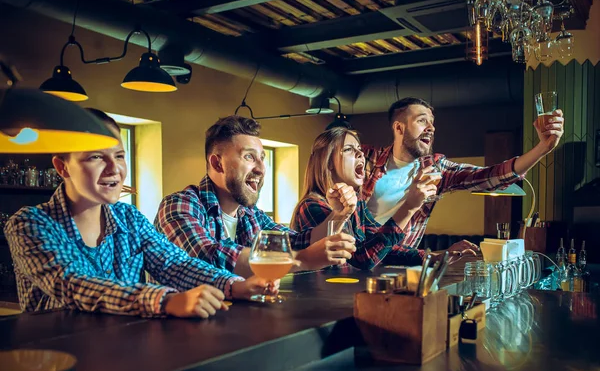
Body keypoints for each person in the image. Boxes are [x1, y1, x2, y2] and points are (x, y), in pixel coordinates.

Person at [4, 109, 273, 319]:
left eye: (119, 156)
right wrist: (165, 300)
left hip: (125, 355)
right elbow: (74, 284)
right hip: (59, 364)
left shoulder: (129, 218)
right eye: (96, 157)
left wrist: (234, 285)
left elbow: (174, 264)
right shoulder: (29, 224)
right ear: (62, 167)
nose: (114, 169)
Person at [155, 115, 357, 277]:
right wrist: (302, 260)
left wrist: (338, 214)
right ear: (218, 163)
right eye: (249, 157)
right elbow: (206, 257)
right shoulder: (179, 205)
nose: (261, 169)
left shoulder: (250, 214)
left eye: (262, 158)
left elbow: (299, 242)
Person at [362, 97, 565, 256]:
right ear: (399, 127)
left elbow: (488, 176)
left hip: (397, 269)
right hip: (354, 259)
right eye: (422, 120)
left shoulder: (435, 169)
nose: (431, 128)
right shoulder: (364, 158)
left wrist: (542, 149)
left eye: (432, 122)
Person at [290, 127, 438, 269]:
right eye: (348, 149)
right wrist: (409, 207)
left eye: (359, 149)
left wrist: (433, 257)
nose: (360, 153)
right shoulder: (311, 207)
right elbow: (362, 259)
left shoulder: (357, 202)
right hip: (320, 294)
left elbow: (382, 248)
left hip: (345, 292)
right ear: (328, 163)